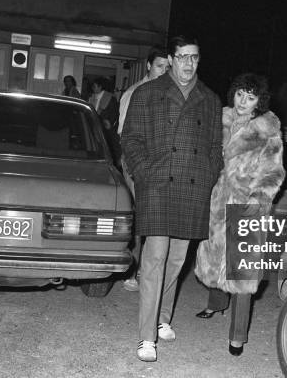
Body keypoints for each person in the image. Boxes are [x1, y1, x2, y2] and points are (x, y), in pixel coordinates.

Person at [121, 35, 223, 362]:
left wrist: (209, 174)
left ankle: (164, 317)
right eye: (182, 57)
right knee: (154, 259)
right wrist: (144, 171)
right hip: (157, 183)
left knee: (178, 259)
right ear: (171, 58)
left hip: (193, 186)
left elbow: (214, 148)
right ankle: (146, 337)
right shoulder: (147, 93)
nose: (188, 64)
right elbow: (130, 138)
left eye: (194, 57)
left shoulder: (209, 99)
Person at [194, 73, 285, 356]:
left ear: (260, 101)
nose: (243, 102)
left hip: (247, 204)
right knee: (214, 257)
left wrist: (256, 202)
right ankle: (216, 304)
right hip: (217, 200)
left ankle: (237, 336)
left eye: (251, 97)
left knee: (243, 274)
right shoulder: (219, 120)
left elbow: (273, 173)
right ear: (233, 94)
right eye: (240, 95)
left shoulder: (267, 131)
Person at [118, 47, 169, 292]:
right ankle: (133, 271)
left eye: (168, 67)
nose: (164, 71)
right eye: (160, 66)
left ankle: (151, 274)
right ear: (149, 66)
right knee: (141, 218)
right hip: (138, 164)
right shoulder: (134, 93)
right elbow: (124, 135)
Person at [89, 77, 120, 167]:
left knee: (108, 146)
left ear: (100, 87)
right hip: (95, 125)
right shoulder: (92, 97)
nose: (93, 88)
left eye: (94, 86)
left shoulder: (110, 97)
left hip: (106, 126)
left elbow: (114, 112)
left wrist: (109, 121)